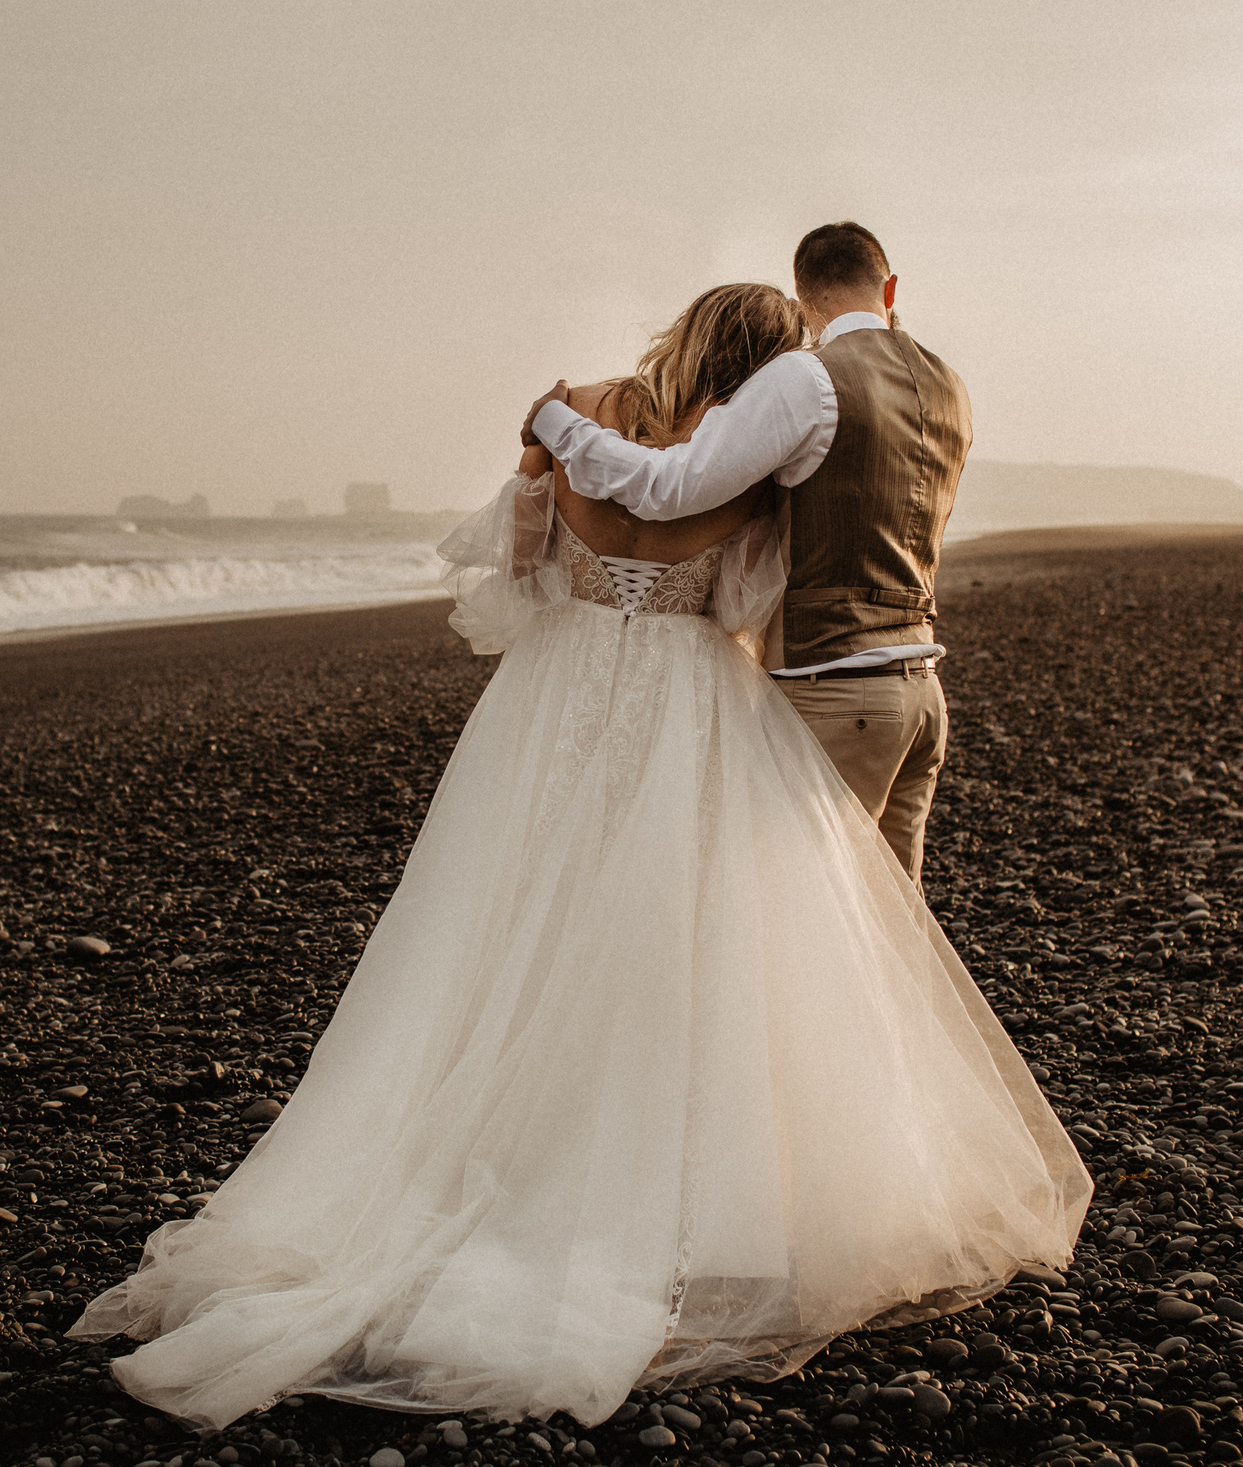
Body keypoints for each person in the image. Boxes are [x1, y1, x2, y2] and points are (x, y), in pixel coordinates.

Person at [69, 281, 1086, 1434]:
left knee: (505, 918)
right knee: (671, 934)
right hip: (687, 696)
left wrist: (557, 500)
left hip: (552, 696)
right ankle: (670, 1180)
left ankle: (469, 1156)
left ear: (684, 332)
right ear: (770, 363)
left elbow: (515, 577)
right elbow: (743, 606)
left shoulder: (587, 407)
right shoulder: (745, 460)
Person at [524, 222, 968, 883]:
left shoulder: (808, 377)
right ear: (890, 289)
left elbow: (670, 486)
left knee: (800, 903)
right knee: (888, 920)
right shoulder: (947, 386)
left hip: (837, 690)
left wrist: (555, 421)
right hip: (922, 693)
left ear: (804, 298)